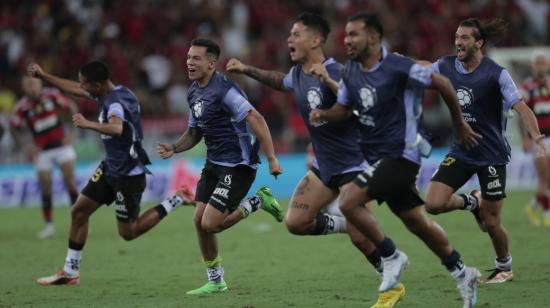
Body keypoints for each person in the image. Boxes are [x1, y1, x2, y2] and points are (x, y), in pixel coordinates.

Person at [309, 12, 482, 308]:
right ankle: (462, 272)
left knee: (348, 202)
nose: (346, 40)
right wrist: (324, 114)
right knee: (417, 222)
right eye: (346, 34)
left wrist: (460, 124)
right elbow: (344, 108)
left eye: (354, 34)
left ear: (374, 38)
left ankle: (390, 255)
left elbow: (442, 83)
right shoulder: (350, 70)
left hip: (402, 155)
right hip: (378, 157)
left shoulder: (398, 67)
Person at [226, 13, 399, 305]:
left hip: (354, 163)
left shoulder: (339, 70)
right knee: (296, 221)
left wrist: (328, 81)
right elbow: (280, 81)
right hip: (325, 166)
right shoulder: (297, 74)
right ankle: (349, 225)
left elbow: (357, 103)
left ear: (316, 40)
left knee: (361, 240)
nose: (289, 40)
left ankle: (392, 282)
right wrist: (246, 69)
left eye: (296, 34)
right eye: (290, 34)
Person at [30, 60, 195, 285]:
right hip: (110, 167)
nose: (82, 88)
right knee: (79, 211)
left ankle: (177, 199)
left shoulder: (115, 102)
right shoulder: (109, 93)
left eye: (85, 84)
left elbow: (117, 128)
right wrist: (44, 76)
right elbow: (76, 89)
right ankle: (70, 271)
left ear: (97, 85)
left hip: (128, 174)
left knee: (128, 232)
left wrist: (88, 124)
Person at [423, 18, 547, 284]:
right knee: (433, 204)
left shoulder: (496, 73)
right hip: (461, 151)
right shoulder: (445, 65)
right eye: (457, 36)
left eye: (465, 38)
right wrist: (400, 65)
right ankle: (472, 202)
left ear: (479, 43)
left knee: (491, 222)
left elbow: (521, 107)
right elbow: (423, 69)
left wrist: (537, 137)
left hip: (491, 155)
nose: (458, 41)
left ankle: (504, 266)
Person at [157, 38, 284, 295]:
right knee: (198, 220)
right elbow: (194, 132)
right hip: (214, 163)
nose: (189, 62)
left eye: (196, 58)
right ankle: (216, 280)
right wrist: (174, 147)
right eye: (188, 57)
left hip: (238, 165)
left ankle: (257, 201)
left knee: (211, 224)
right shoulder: (193, 92)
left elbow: (257, 118)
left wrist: (271, 158)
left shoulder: (226, 90)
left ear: (212, 63)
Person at [10, 76, 79, 239]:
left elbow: (72, 107)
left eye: (33, 84)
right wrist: (25, 147)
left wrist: (73, 132)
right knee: (46, 189)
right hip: (42, 152)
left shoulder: (52, 95)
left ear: (40, 84)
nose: (31, 88)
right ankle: (49, 226)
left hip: (62, 146)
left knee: (70, 184)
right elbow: (14, 128)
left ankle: (79, 224)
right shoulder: (21, 107)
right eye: (28, 85)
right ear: (23, 88)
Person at [520, 52, 550, 227]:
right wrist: (526, 137)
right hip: (538, 139)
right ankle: (547, 215)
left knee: (548, 179)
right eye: (537, 63)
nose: (541, 66)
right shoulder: (527, 87)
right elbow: (523, 114)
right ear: (533, 66)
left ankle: (532, 207)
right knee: (543, 178)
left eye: (543, 63)